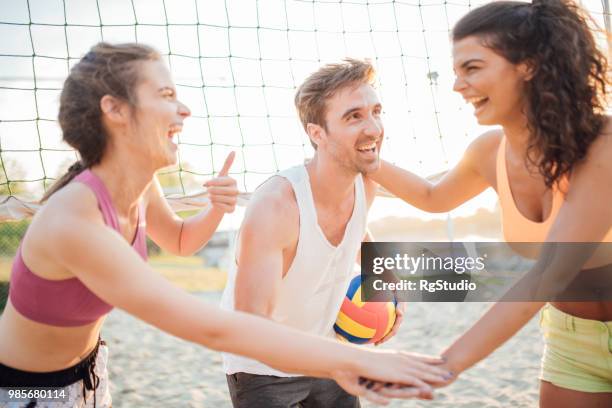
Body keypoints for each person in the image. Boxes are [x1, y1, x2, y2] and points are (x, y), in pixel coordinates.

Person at [0, 42, 450, 408]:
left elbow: (178, 240)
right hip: (24, 388)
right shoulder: (75, 223)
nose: (185, 110)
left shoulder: (135, 188)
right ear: (115, 110)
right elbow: (217, 328)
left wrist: (215, 208)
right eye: (166, 96)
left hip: (91, 373)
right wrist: (359, 360)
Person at [368, 0, 612, 406]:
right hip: (572, 341)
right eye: (456, 72)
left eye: (473, 68)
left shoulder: (603, 146)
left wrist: (442, 365)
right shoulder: (487, 152)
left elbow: (549, 273)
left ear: (529, 65)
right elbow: (433, 197)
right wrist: (365, 159)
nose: (458, 86)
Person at [219, 58, 431, 408]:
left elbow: (359, 229)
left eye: (376, 111)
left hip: (327, 351)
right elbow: (251, 327)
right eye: (354, 116)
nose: (374, 127)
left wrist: (385, 278)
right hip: (262, 366)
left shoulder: (366, 181)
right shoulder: (276, 206)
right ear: (317, 133)